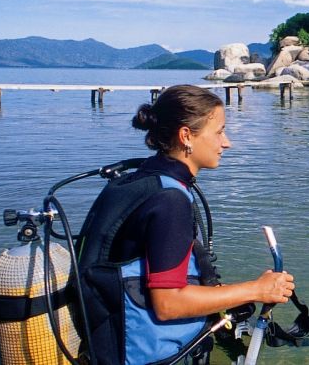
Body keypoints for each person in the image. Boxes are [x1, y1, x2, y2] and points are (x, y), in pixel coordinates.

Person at [75, 85, 295, 365]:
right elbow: (169, 304)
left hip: (106, 344)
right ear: (186, 136)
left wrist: (225, 294)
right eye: (218, 132)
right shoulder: (170, 201)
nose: (227, 143)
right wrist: (257, 289)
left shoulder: (143, 179)